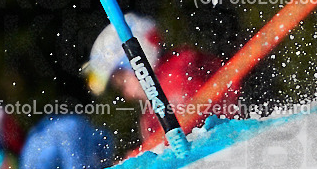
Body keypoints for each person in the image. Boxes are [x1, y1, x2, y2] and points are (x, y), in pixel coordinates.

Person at [83, 13, 240, 144]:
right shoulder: (175, 72)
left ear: (138, 63)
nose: (127, 94)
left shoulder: (173, 81)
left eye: (122, 81)